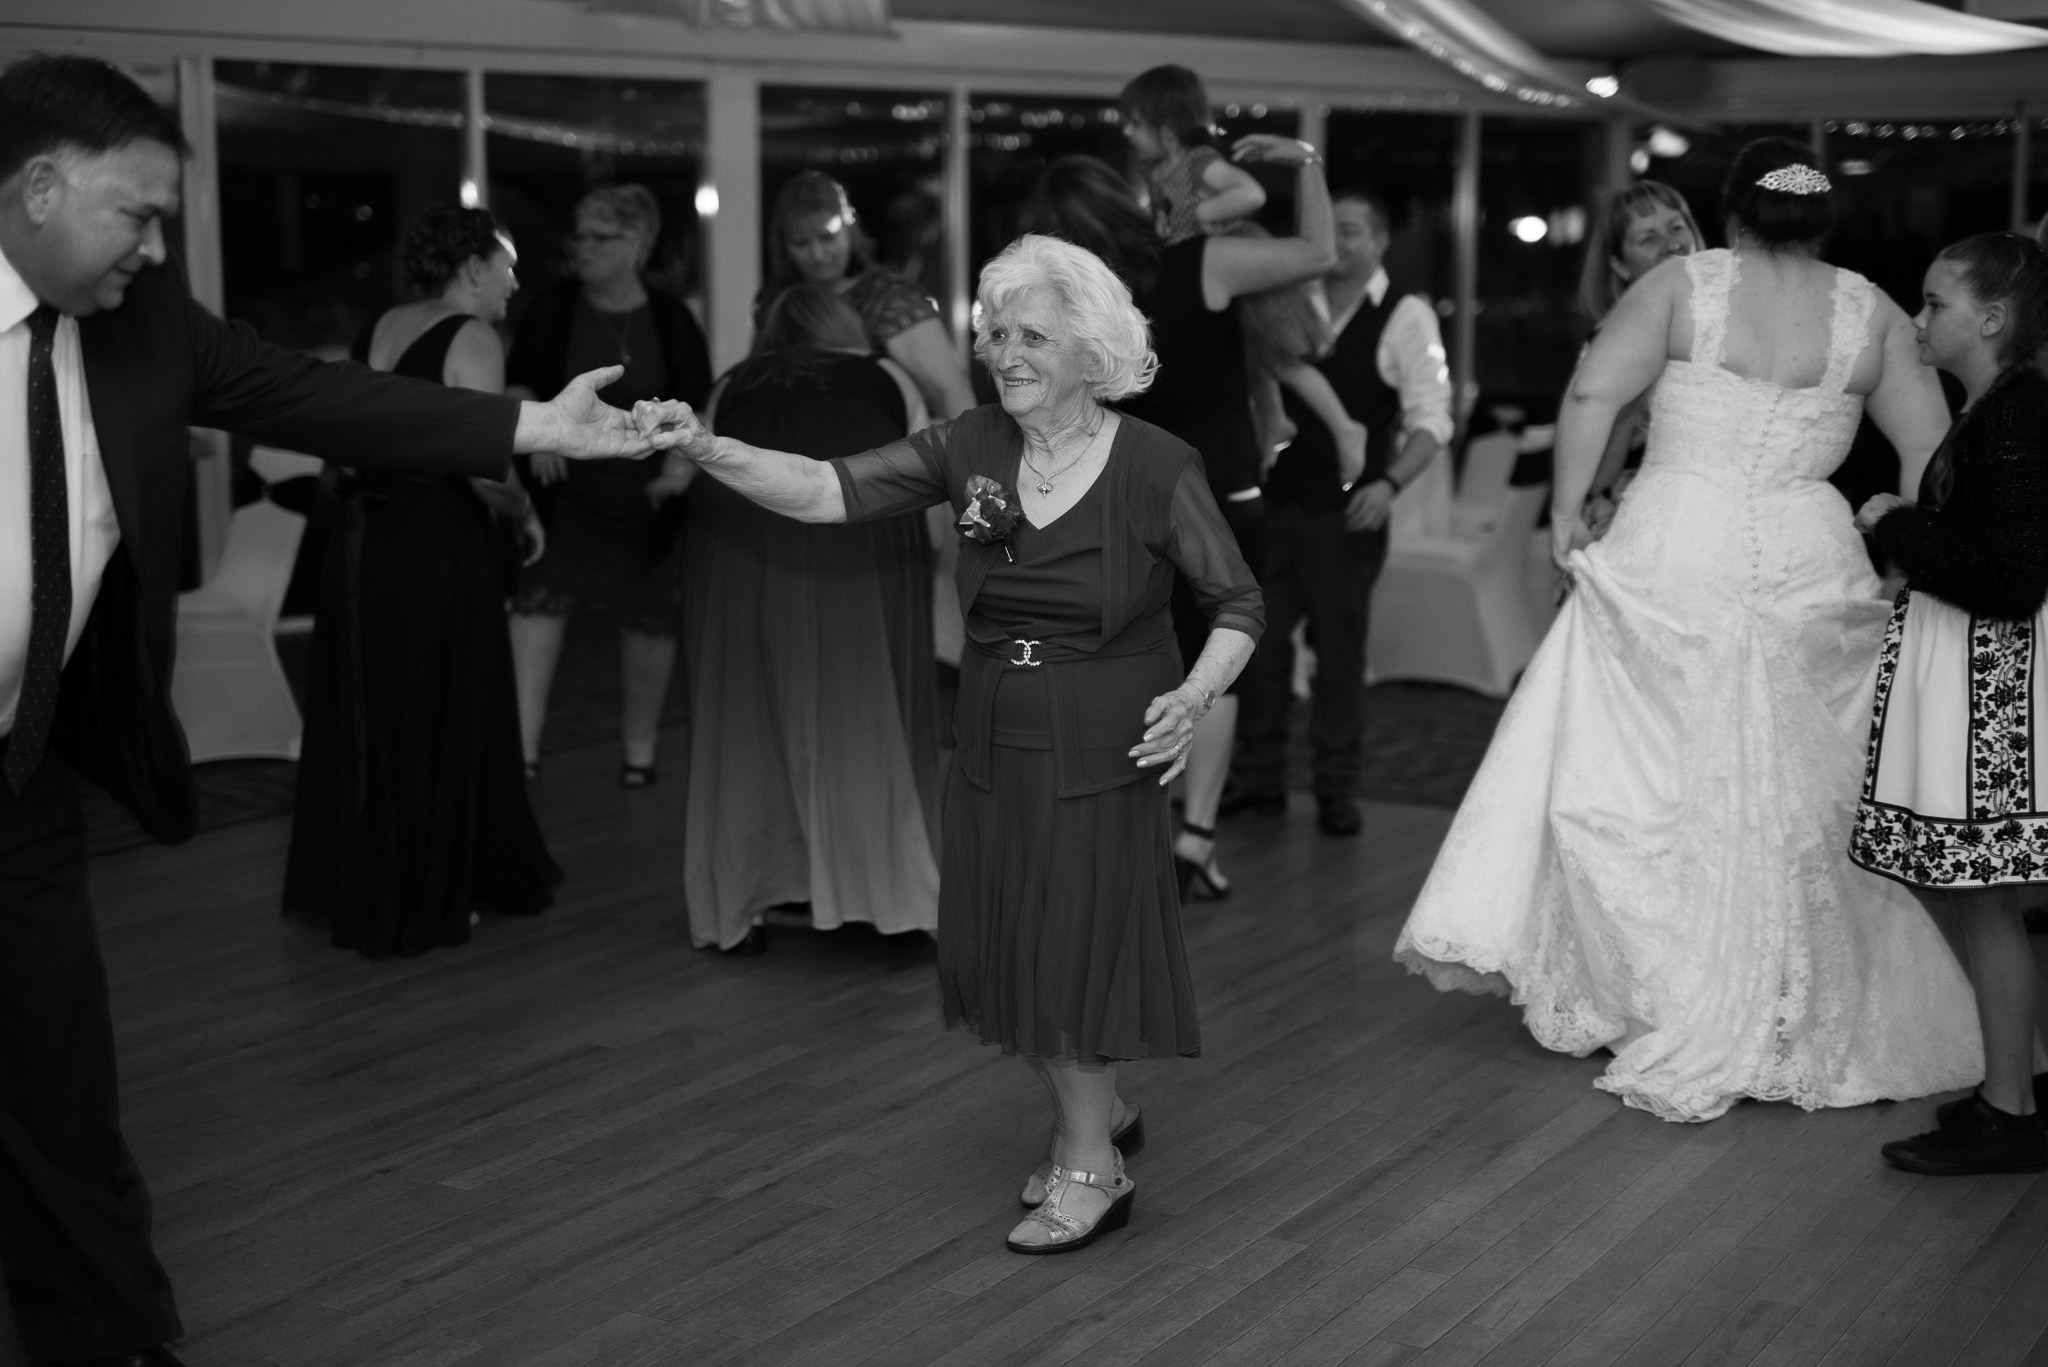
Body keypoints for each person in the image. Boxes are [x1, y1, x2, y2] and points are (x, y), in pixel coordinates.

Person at [0, 55, 686, 1367]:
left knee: (58, 1076)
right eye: (136, 213)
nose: (157, 246)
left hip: (23, 779)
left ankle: (108, 1334)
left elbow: (329, 398)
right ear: (38, 187)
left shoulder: (145, 325)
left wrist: (535, 419)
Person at [645, 233, 1262, 1254]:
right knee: (1013, 937)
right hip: (988, 724)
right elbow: (824, 488)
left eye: (1032, 336)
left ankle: (1090, 1166)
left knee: (1070, 945)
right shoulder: (968, 444)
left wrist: (1193, 695)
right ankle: (1095, 1110)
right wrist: (703, 446)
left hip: (1105, 731)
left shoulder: (1156, 463)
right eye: (995, 333)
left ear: (1091, 350)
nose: (1004, 353)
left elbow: (1236, 601)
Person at [1392, 137, 1981, 1123]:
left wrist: (1562, 514)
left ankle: (1658, 989)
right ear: (1818, 217)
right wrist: (1905, 544)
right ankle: (1795, 997)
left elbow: (1592, 393)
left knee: (1655, 768)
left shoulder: (1680, 284)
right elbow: (1927, 439)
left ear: (1733, 212)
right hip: (1805, 546)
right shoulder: (1868, 308)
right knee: (1800, 784)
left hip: (1675, 544)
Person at [1024, 139, 1331, 899]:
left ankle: (1110, 837)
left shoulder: (1062, 305)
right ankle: (1193, 840)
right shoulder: (1204, 263)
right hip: (1219, 499)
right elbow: (1318, 251)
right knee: (1208, 673)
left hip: (1112, 502)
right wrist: (1306, 162)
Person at [282, 205, 562, 958]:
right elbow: (484, 461)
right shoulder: (473, 335)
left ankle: (374, 875)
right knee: (442, 702)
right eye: (506, 265)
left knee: (380, 705)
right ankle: (431, 889)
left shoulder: (383, 324)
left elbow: (352, 433)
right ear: (472, 269)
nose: (515, 281)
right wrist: (527, 515)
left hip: (364, 541)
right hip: (433, 540)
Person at [1848, 232, 2048, 1175]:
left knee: (1981, 891)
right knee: (1946, 878)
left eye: (1935, 303)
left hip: (1991, 686)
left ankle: (2011, 1106)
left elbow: (2010, 579)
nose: (1920, 318)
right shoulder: (1995, 410)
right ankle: (2020, 1080)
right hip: (1966, 675)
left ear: (1994, 318)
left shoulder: (2015, 416)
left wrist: (1899, 525)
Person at [665, 283, 940, 954]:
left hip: (736, 542)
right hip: (859, 540)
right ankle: (892, 906)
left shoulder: (733, 381)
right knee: (866, 713)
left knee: (743, 715)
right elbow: (921, 471)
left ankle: (748, 897)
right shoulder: (888, 376)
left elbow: (693, 459)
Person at [1229, 189, 1453, 838]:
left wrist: (1387, 485)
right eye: (1334, 232)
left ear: (1380, 241)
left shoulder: (1405, 315)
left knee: (1339, 655)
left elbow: (1432, 419)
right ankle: (1260, 782)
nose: (1341, 243)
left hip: (1346, 514)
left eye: (1354, 230)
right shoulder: (1294, 301)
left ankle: (1336, 788)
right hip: (1277, 505)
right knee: (1261, 650)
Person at [506, 184, 712, 786]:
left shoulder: (671, 318)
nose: (583, 248)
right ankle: (522, 752)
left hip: (647, 501)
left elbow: (698, 403)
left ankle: (639, 752)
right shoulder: (552, 307)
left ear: (638, 244)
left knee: (649, 620)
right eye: (580, 234)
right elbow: (517, 386)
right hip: (566, 495)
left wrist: (680, 468)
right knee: (537, 606)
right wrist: (540, 434)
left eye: (600, 237)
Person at [1119, 65, 1365, 483]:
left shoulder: (1197, 162)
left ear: (1166, 125)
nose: (1126, 131)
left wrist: (1200, 215)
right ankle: (1274, 422)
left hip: (1226, 252)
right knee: (1250, 358)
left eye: (1134, 122)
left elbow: (1249, 193)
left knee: (1280, 358)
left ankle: (1344, 426)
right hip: (1200, 266)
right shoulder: (1154, 168)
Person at [760, 170, 975, 420]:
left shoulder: (889, 297)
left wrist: (968, 457)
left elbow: (952, 391)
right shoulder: (774, 298)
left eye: (827, 237)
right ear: (783, 245)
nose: (817, 254)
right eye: (801, 243)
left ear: (849, 228)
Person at [1573, 180, 1704, 531]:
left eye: (1676, 227)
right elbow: (1595, 476)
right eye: (1649, 239)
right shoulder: (1610, 342)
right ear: (1619, 266)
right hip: (1632, 518)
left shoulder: (1734, 326)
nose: (1672, 244)